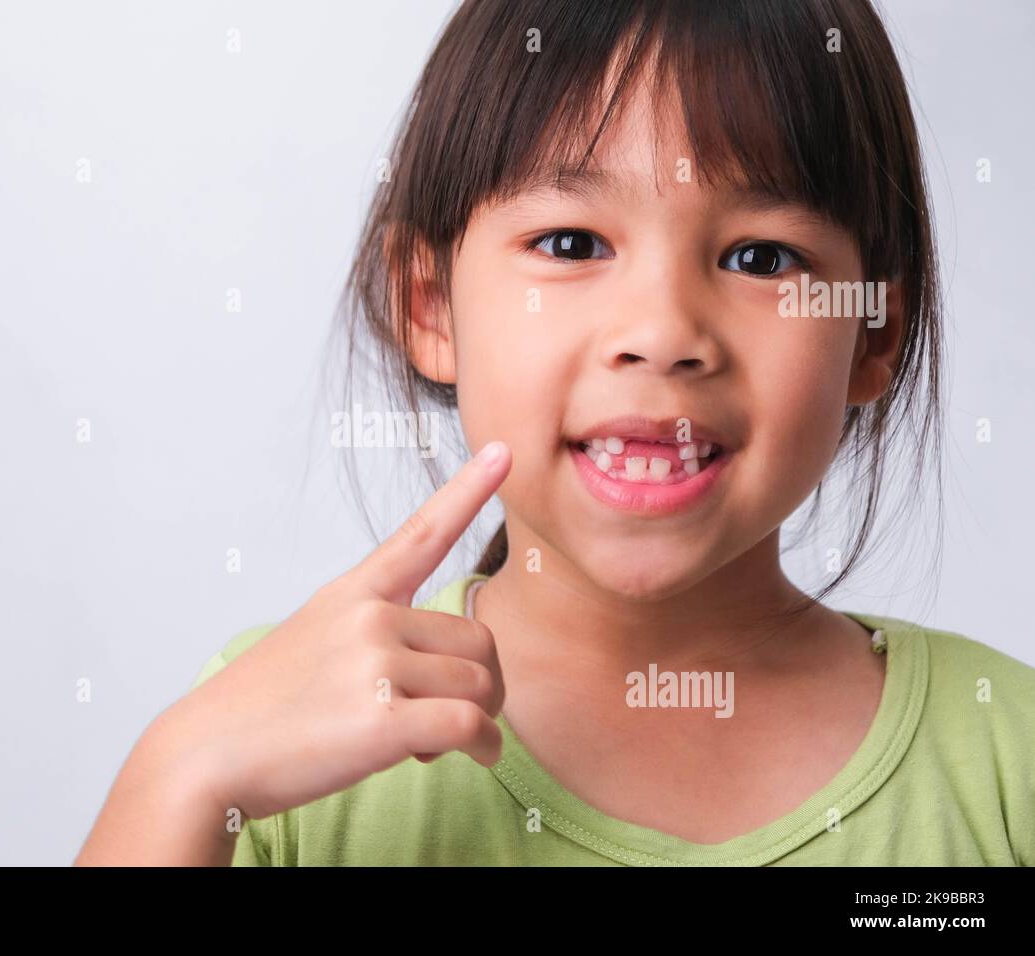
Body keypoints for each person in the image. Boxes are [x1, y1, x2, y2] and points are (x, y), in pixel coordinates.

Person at [76, 0, 1035, 866]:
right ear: (430, 306)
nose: (662, 333)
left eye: (760, 257)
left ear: (872, 334)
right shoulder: (270, 738)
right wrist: (180, 776)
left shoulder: (1005, 757)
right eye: (572, 245)